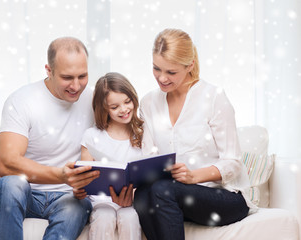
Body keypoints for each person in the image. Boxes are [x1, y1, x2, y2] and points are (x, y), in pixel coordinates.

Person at [133, 28, 257, 240]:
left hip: (224, 197)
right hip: (171, 195)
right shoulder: (148, 103)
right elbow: (149, 158)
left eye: (171, 72)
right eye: (156, 68)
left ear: (190, 65)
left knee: (163, 190)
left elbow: (233, 162)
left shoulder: (213, 97)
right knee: (144, 194)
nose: (162, 78)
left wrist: (193, 176)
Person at [0, 37, 100, 240]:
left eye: (82, 76)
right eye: (67, 77)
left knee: (78, 205)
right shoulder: (22, 100)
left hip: (70, 197)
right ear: (49, 70)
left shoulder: (95, 100)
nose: (76, 86)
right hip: (27, 193)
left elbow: (122, 138)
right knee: (10, 185)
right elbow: (7, 164)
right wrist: (60, 175)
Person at [74, 72, 143, 240]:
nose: (124, 109)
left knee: (130, 217)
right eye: (114, 107)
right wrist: (78, 189)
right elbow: (83, 176)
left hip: (131, 200)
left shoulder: (142, 133)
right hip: (101, 201)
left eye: (127, 102)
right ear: (104, 109)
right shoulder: (92, 136)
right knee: (104, 217)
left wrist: (132, 195)